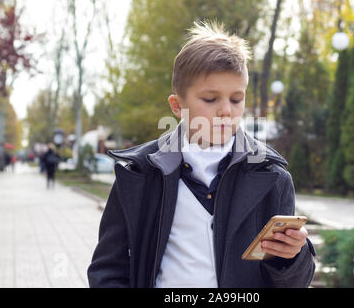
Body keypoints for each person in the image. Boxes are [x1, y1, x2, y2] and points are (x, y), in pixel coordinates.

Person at [87, 21, 316, 288]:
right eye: (210, 99)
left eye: (236, 99)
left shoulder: (273, 177)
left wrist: (292, 257)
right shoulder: (138, 175)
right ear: (177, 105)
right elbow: (107, 269)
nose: (225, 111)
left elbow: (294, 283)